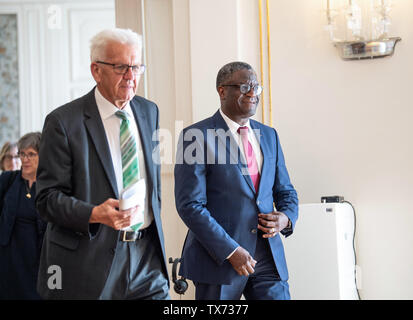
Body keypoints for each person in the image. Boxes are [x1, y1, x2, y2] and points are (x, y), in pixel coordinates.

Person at [35, 28, 169, 299]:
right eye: (121, 67)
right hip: (89, 263)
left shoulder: (148, 110)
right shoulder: (63, 122)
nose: (131, 76)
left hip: (147, 258)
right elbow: (46, 200)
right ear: (96, 71)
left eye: (137, 67)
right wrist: (95, 213)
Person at [174, 61, 299, 300]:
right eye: (244, 87)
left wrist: (286, 217)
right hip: (218, 261)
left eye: (256, 87)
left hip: (267, 258)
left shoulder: (269, 135)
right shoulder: (196, 136)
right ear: (222, 91)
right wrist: (231, 250)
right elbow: (189, 205)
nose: (252, 93)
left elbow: (286, 192)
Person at [0, 132, 47, 299]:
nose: (25, 159)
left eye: (31, 154)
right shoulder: (8, 180)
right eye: (22, 154)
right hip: (9, 260)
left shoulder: (50, 187)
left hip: (39, 261)